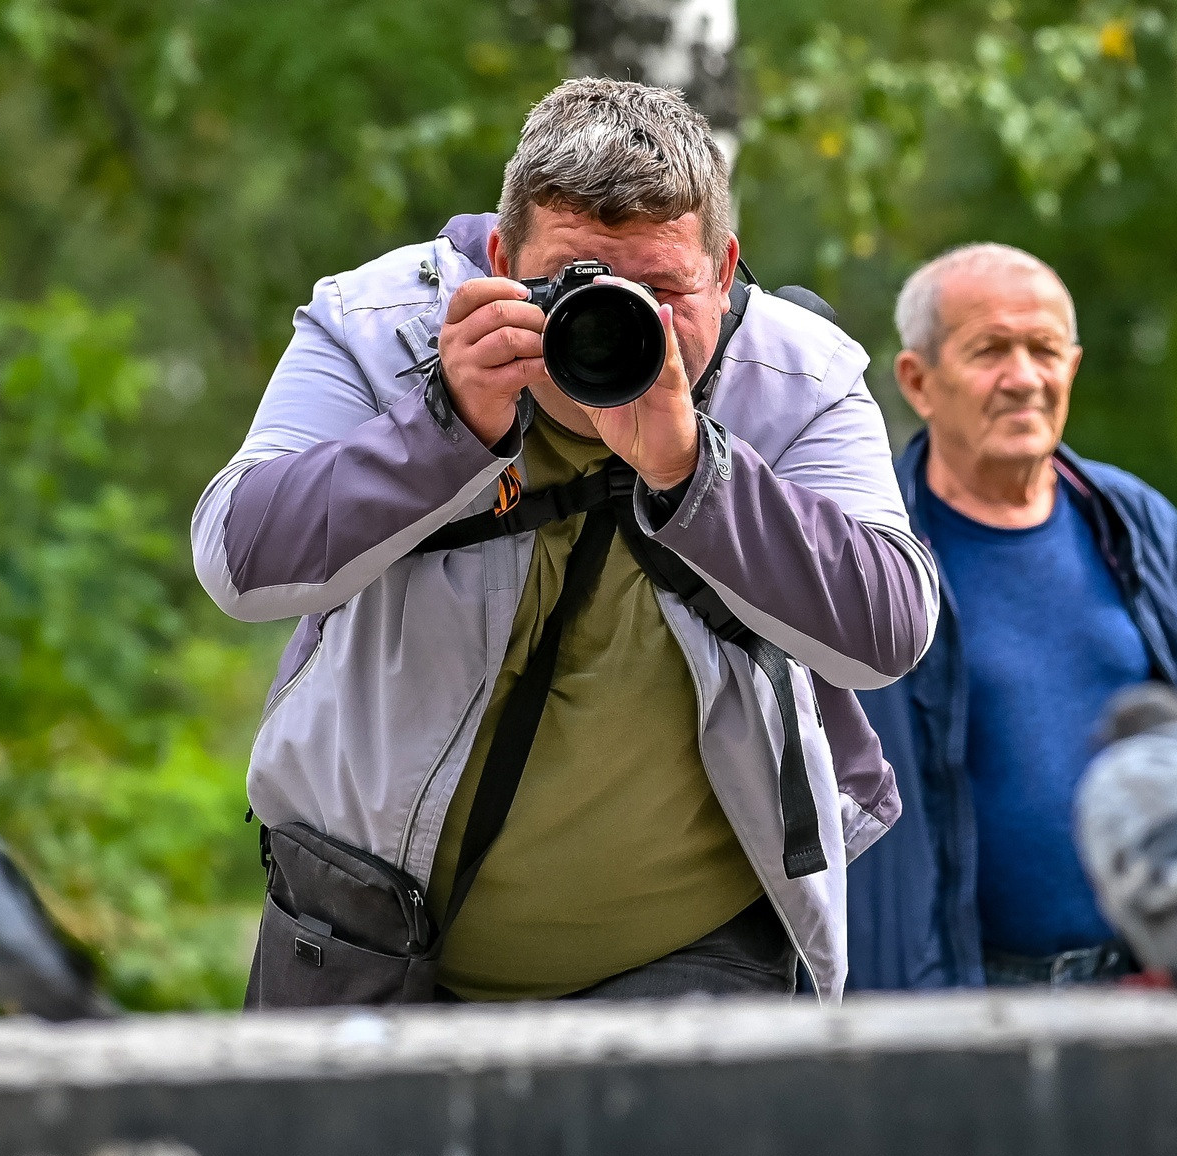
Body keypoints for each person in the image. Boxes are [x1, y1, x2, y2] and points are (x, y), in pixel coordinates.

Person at [195, 80, 935, 1005]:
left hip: (685, 948)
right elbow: (238, 558)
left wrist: (696, 469)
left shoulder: (795, 377)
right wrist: (444, 428)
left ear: (726, 266)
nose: (630, 323)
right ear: (502, 257)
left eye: (665, 290)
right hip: (363, 931)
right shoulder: (380, 325)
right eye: (580, 283)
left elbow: (892, 627)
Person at [847, 244, 1177, 990]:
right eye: (990, 350)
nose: (1024, 378)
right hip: (950, 996)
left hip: (1150, 985)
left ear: (1073, 367)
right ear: (917, 381)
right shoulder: (865, 547)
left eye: (1045, 351)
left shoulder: (1136, 523)